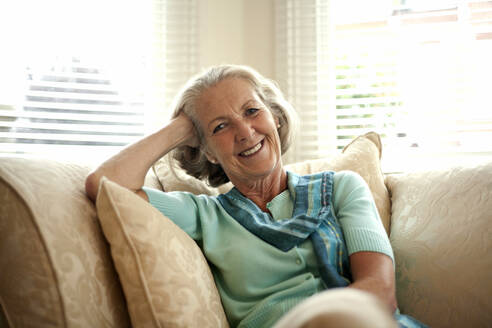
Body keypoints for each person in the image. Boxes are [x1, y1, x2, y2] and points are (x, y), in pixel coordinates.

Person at [85, 64, 426, 328]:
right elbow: (105, 185)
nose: (245, 132)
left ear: (275, 118)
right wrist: (182, 127)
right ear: (209, 153)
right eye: (220, 127)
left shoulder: (341, 188)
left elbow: (380, 292)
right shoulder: (204, 216)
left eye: (251, 111)